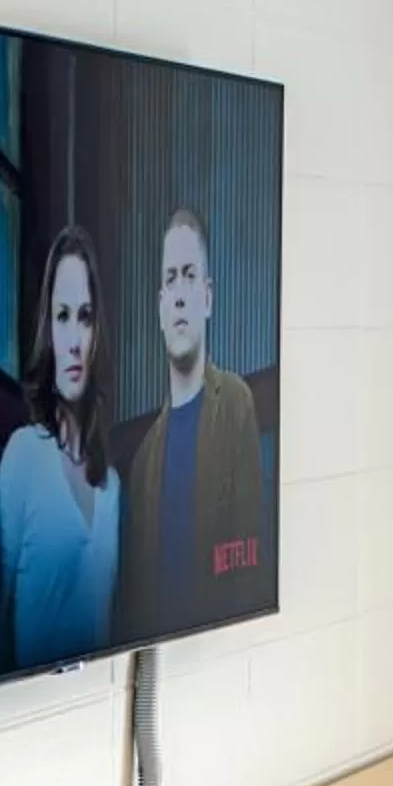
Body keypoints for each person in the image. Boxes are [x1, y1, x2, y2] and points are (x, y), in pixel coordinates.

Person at [115, 206, 270, 646]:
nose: (179, 294)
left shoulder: (236, 403)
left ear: (208, 297)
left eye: (188, 276)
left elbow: (252, 566)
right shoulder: (145, 457)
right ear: (161, 305)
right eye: (170, 280)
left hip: (219, 656)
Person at [0, 226, 122, 668]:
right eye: (62, 316)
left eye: (85, 317)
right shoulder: (23, 456)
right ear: (47, 330)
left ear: (97, 333)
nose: (73, 340)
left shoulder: (112, 486)